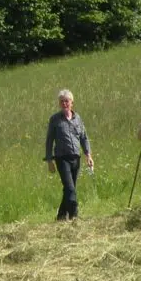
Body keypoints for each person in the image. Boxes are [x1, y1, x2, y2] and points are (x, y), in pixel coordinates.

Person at [44, 89, 93, 221]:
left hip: (76, 158)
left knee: (69, 189)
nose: (64, 104)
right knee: (70, 188)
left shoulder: (78, 119)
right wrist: (49, 161)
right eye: (62, 102)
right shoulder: (55, 120)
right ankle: (74, 215)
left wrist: (88, 155)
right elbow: (49, 140)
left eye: (67, 101)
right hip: (62, 158)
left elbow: (84, 137)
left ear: (72, 103)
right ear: (59, 104)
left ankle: (61, 216)